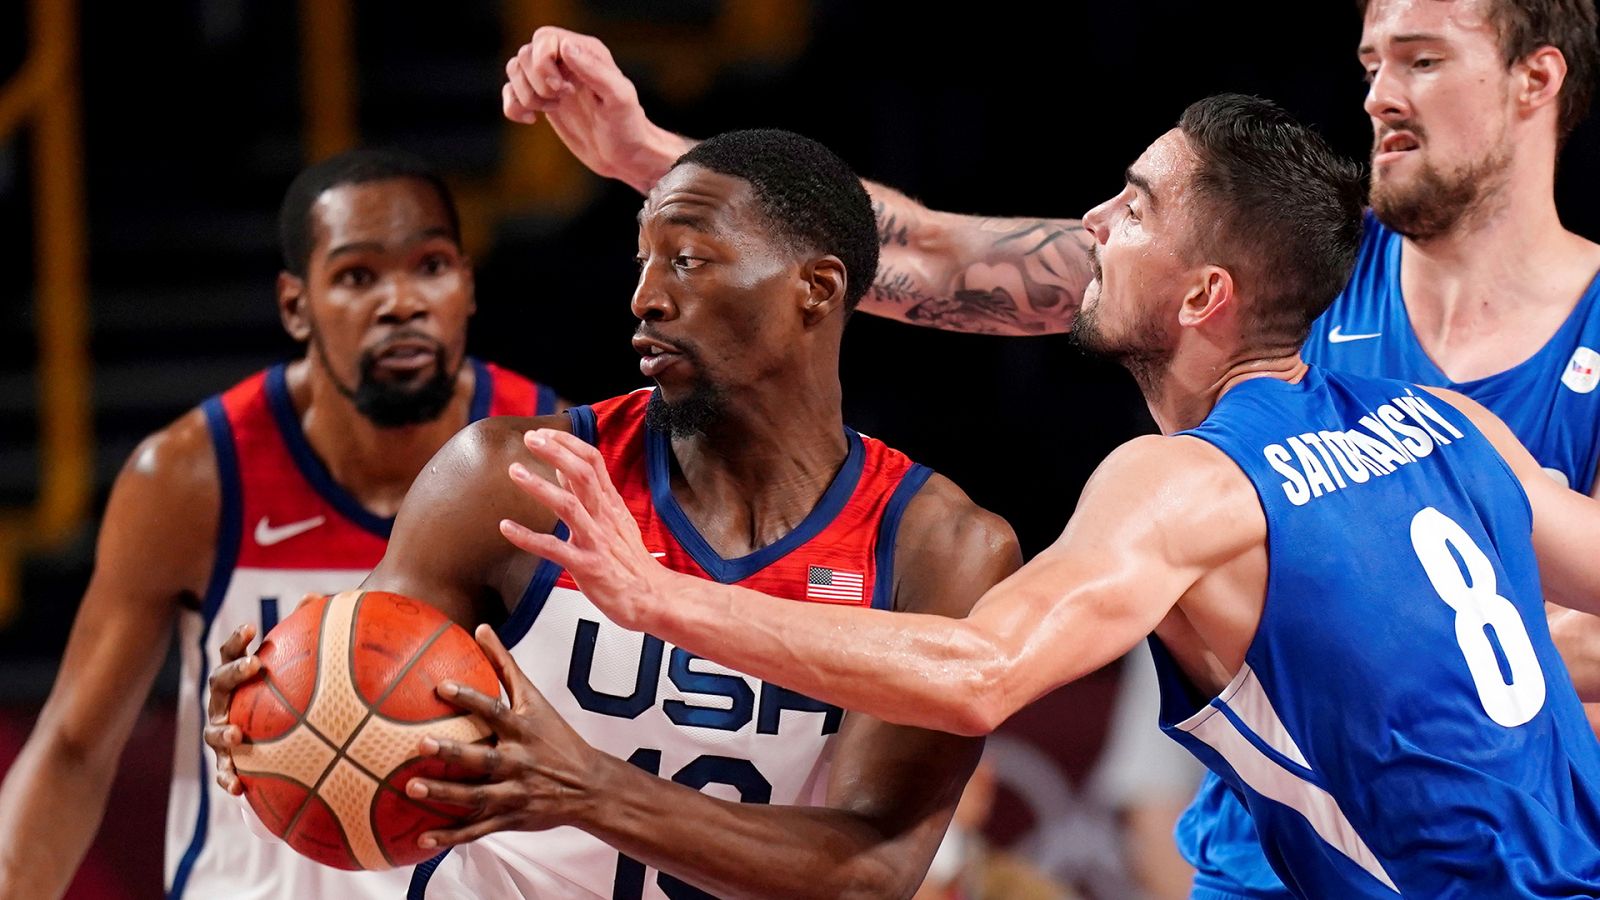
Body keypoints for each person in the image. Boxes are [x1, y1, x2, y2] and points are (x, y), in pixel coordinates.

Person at [503, 7, 1600, 896]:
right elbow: (927, 250)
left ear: (1533, 79)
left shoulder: (1182, 478)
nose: (1378, 91)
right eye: (1368, 59)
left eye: (1419, 59)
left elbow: (980, 672)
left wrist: (655, 597)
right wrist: (656, 159)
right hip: (1310, 852)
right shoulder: (1444, 408)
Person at [204, 128, 1021, 898]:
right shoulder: (509, 475)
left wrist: (593, 792)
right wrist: (273, 719)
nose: (646, 298)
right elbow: (353, 707)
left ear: (816, 288)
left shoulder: (937, 549)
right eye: (642, 262)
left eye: (689, 260)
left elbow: (869, 875)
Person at [0, 148, 561, 900]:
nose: (401, 301)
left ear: (465, 284)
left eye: (430, 266)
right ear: (296, 305)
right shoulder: (192, 477)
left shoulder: (553, 461)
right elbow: (72, 747)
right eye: (359, 276)